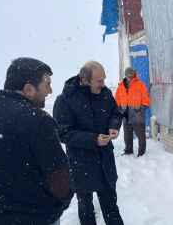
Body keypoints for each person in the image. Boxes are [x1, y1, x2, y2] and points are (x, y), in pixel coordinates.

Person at [0, 57, 73, 225]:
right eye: (47, 84)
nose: (50, 91)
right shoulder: (38, 119)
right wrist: (61, 203)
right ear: (29, 89)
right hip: (38, 217)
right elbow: (59, 179)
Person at [53, 61, 124, 225]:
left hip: (105, 161)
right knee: (86, 210)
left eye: (104, 79)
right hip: (81, 163)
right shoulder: (65, 100)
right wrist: (93, 139)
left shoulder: (105, 94)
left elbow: (116, 112)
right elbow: (63, 133)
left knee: (111, 207)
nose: (103, 84)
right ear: (85, 80)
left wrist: (114, 126)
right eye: (99, 81)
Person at [115, 67, 150, 156]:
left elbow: (146, 98)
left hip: (137, 113)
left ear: (134, 75)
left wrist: (141, 108)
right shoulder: (121, 86)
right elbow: (117, 98)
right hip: (125, 114)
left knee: (140, 135)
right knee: (127, 135)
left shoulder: (140, 84)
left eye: (131, 75)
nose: (129, 76)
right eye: (128, 75)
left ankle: (141, 153)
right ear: (125, 75)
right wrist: (118, 107)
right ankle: (128, 150)